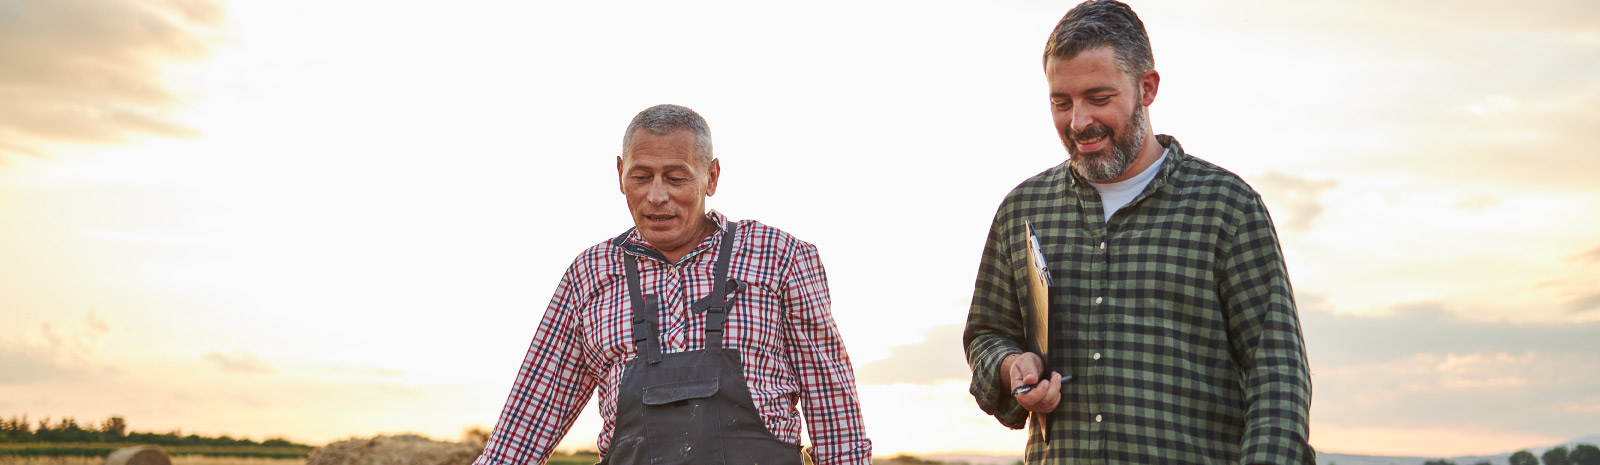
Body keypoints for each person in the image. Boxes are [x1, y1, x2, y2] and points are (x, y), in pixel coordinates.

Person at [961, 1, 1315, 464]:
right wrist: (1010, 368)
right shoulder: (1022, 209)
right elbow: (986, 333)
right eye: (1061, 102)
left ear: (1146, 88)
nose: (1078, 121)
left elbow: (1278, 377)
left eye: (1098, 97)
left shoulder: (1227, 208)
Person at [473, 104, 872, 465]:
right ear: (620, 174)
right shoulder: (588, 275)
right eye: (641, 177)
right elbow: (527, 420)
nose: (657, 196)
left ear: (711, 177)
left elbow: (832, 404)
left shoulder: (781, 257)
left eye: (676, 178)